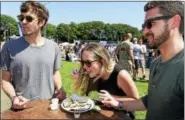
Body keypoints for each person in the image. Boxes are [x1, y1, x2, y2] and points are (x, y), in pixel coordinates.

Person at [99, 1, 184, 120]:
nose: (144, 31)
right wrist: (119, 104)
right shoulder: (155, 63)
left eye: (150, 23)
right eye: (144, 25)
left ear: (174, 22)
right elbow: (150, 101)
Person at [1, 1, 66, 110]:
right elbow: (5, 81)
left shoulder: (53, 46)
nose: (23, 22)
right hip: (21, 109)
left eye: (29, 19)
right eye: (21, 18)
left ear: (41, 22)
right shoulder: (8, 46)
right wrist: (14, 98)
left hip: (48, 107)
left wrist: (60, 89)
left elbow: (55, 73)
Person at [72, 43, 139, 119]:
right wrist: (79, 77)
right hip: (104, 111)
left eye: (88, 63)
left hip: (123, 114)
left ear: (102, 61)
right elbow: (88, 94)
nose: (84, 66)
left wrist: (112, 98)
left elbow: (136, 100)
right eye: (83, 62)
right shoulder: (96, 72)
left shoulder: (121, 75)